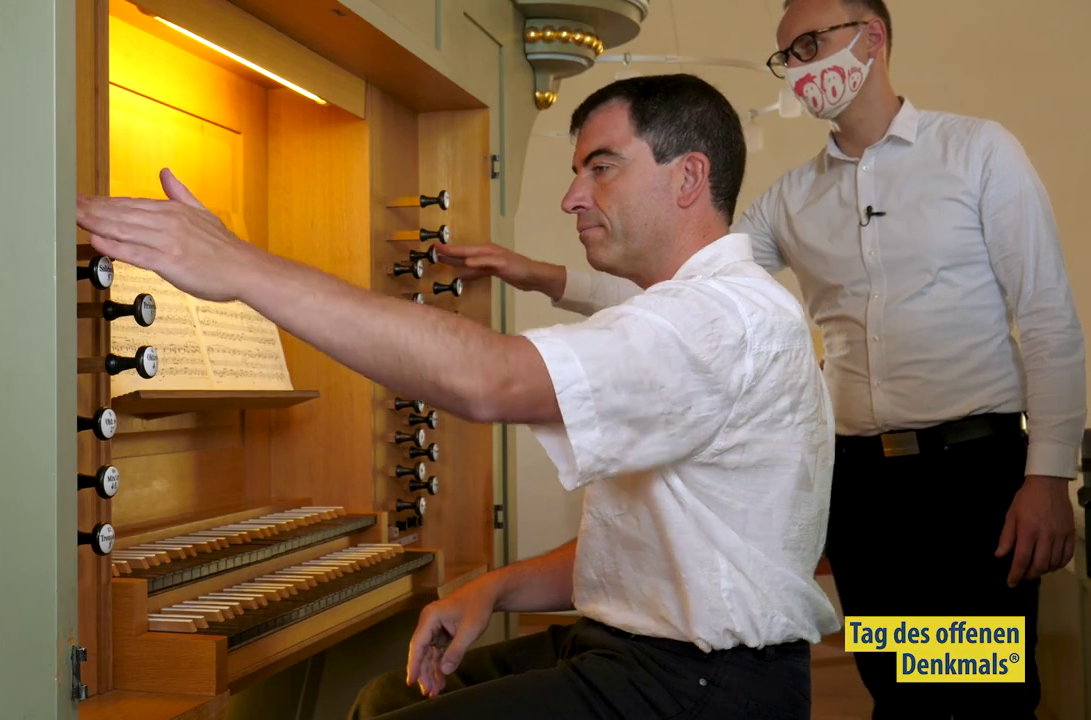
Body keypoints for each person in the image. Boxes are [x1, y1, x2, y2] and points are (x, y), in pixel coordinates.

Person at [76, 73, 841, 719]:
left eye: (601, 167)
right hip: (642, 654)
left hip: (700, 688)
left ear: (688, 177)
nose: (573, 197)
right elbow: (660, 550)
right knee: (386, 697)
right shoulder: (699, 310)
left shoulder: (719, 320)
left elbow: (490, 380)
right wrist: (494, 586)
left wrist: (239, 267)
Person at [435, 1, 1086, 717]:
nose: (798, 67)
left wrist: (1048, 476)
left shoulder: (978, 152)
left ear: (871, 37)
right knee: (898, 683)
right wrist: (545, 277)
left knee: (981, 684)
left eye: (810, 44)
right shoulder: (792, 198)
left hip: (971, 471)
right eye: (787, 54)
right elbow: (687, 279)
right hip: (861, 483)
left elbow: (1048, 318)